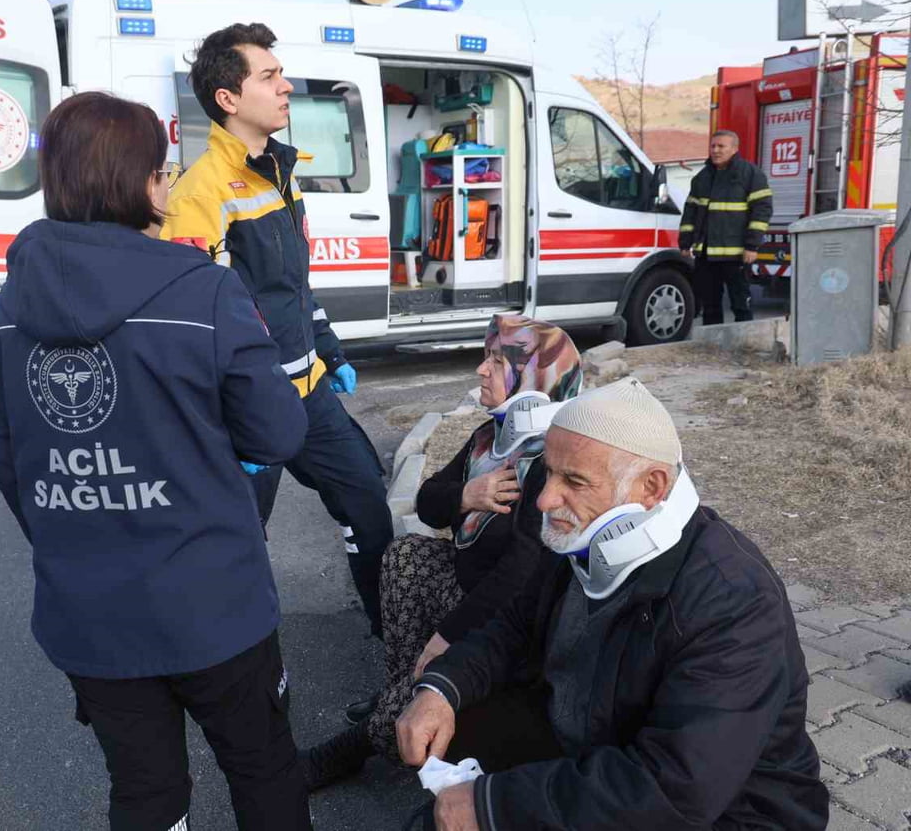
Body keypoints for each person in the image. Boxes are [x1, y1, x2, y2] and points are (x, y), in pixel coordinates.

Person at [0, 91, 312, 831]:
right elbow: (278, 432)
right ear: (149, 182)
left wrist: (88, 529)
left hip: (90, 616)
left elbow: (16, 478)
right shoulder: (205, 291)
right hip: (216, 604)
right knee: (263, 767)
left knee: (146, 792)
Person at [395, 377, 828, 830]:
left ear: (652, 486)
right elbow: (513, 627)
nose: (544, 499)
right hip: (599, 749)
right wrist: (443, 689)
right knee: (446, 752)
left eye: (573, 480)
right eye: (548, 472)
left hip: (726, 813)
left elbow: (674, 788)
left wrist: (494, 804)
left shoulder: (734, 600)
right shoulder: (581, 535)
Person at [162, 23, 393, 637]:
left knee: (369, 509)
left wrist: (327, 348)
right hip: (247, 412)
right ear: (228, 99)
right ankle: (241, 677)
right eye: (269, 77)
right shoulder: (199, 193)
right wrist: (233, 423)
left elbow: (294, 288)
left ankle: (393, 661)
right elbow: (203, 323)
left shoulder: (280, 172)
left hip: (307, 392)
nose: (286, 86)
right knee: (234, 549)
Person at [300, 316, 582, 789]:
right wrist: (467, 495)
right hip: (469, 591)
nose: (481, 371)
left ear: (535, 379)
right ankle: (400, 694)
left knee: (433, 672)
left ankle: (359, 743)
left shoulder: (551, 464)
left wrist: (446, 638)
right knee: (405, 555)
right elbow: (430, 501)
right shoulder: (491, 439)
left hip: (509, 624)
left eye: (496, 361)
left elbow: (521, 576)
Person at [679, 130, 774, 325]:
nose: (715, 150)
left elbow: (762, 211)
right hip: (706, 254)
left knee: (741, 302)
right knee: (710, 302)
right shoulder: (701, 178)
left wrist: (752, 246)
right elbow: (690, 213)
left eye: (721, 146)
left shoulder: (750, 174)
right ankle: (712, 343)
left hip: (736, 253)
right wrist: (685, 243)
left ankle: (746, 341)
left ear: (734, 149)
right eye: (713, 146)